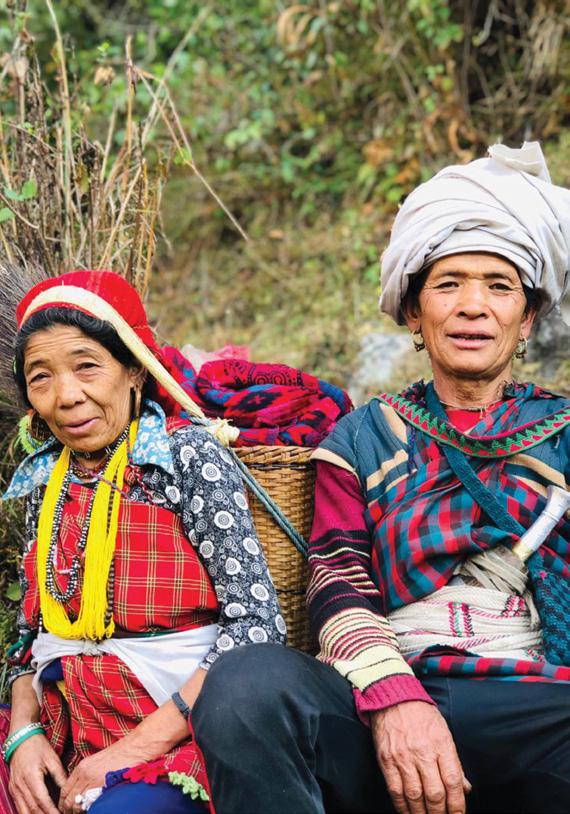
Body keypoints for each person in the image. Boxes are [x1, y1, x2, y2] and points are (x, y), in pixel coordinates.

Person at [190, 142, 570, 814]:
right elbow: (337, 579)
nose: (473, 306)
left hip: (534, 702)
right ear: (414, 314)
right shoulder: (362, 438)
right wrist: (395, 700)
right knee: (244, 687)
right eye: (448, 284)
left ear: (528, 316)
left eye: (499, 285)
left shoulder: (562, 431)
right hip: (386, 692)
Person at [0, 270, 286, 814]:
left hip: (176, 737)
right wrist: (22, 736)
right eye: (41, 378)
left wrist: (128, 752)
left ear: (134, 369)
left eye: (87, 366)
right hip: (61, 726)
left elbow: (256, 625)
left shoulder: (186, 457)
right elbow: (28, 639)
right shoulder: (46, 482)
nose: (67, 396)